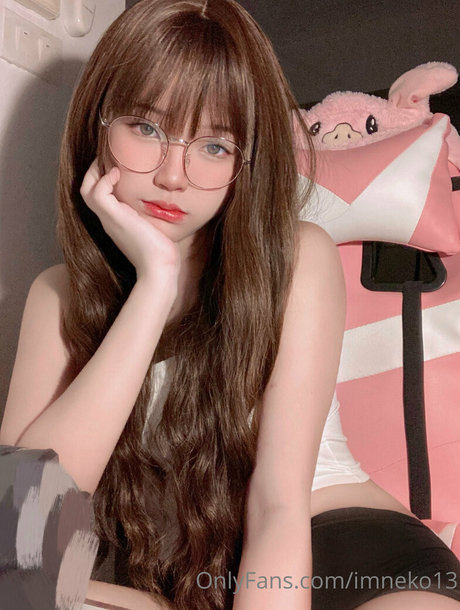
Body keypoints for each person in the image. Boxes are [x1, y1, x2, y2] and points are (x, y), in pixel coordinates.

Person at [0, 1, 459, 609]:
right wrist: (153, 288)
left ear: (246, 162)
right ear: (97, 125)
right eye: (146, 128)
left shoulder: (295, 258)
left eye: (214, 146)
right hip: (195, 583)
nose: (174, 175)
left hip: (341, 552)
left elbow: (277, 507)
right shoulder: (56, 295)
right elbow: (20, 541)